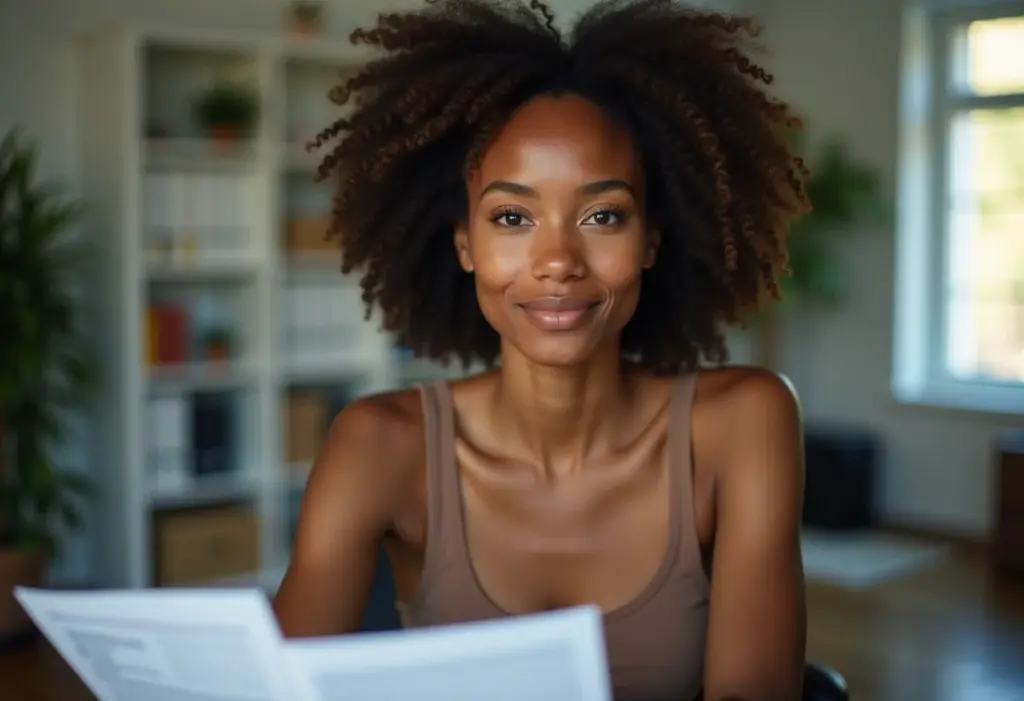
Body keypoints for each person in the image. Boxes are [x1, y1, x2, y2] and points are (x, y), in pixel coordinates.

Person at [273, 0, 811, 699]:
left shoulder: (743, 423)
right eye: (513, 217)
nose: (557, 260)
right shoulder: (378, 444)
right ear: (466, 244)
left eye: (603, 215)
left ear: (650, 239)